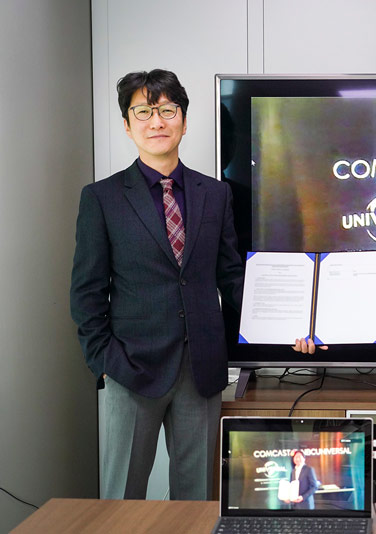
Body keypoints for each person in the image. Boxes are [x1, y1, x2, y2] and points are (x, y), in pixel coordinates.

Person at [69, 69, 244, 500]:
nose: (157, 122)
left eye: (167, 110)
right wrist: (105, 361)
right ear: (128, 126)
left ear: (183, 120)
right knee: (121, 500)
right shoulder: (102, 198)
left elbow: (231, 277)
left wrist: (278, 332)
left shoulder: (215, 194)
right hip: (131, 368)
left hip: (201, 369)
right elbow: (87, 291)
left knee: (196, 499)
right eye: (144, 112)